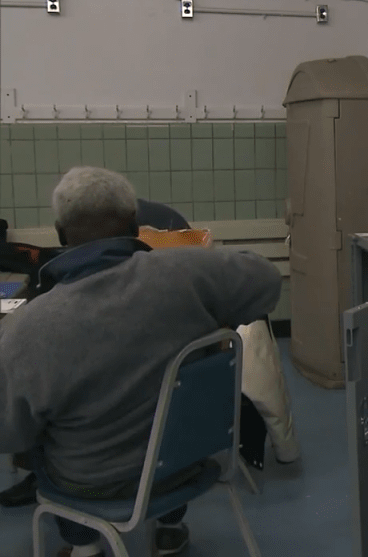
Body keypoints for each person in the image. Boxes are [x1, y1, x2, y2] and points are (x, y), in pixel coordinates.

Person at [0, 166, 282, 557]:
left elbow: (10, 435)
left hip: (93, 484)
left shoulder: (27, 329)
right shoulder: (187, 272)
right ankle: (170, 529)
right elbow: (267, 280)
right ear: (135, 224)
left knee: (38, 437)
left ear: (61, 233)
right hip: (187, 461)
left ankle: (84, 548)